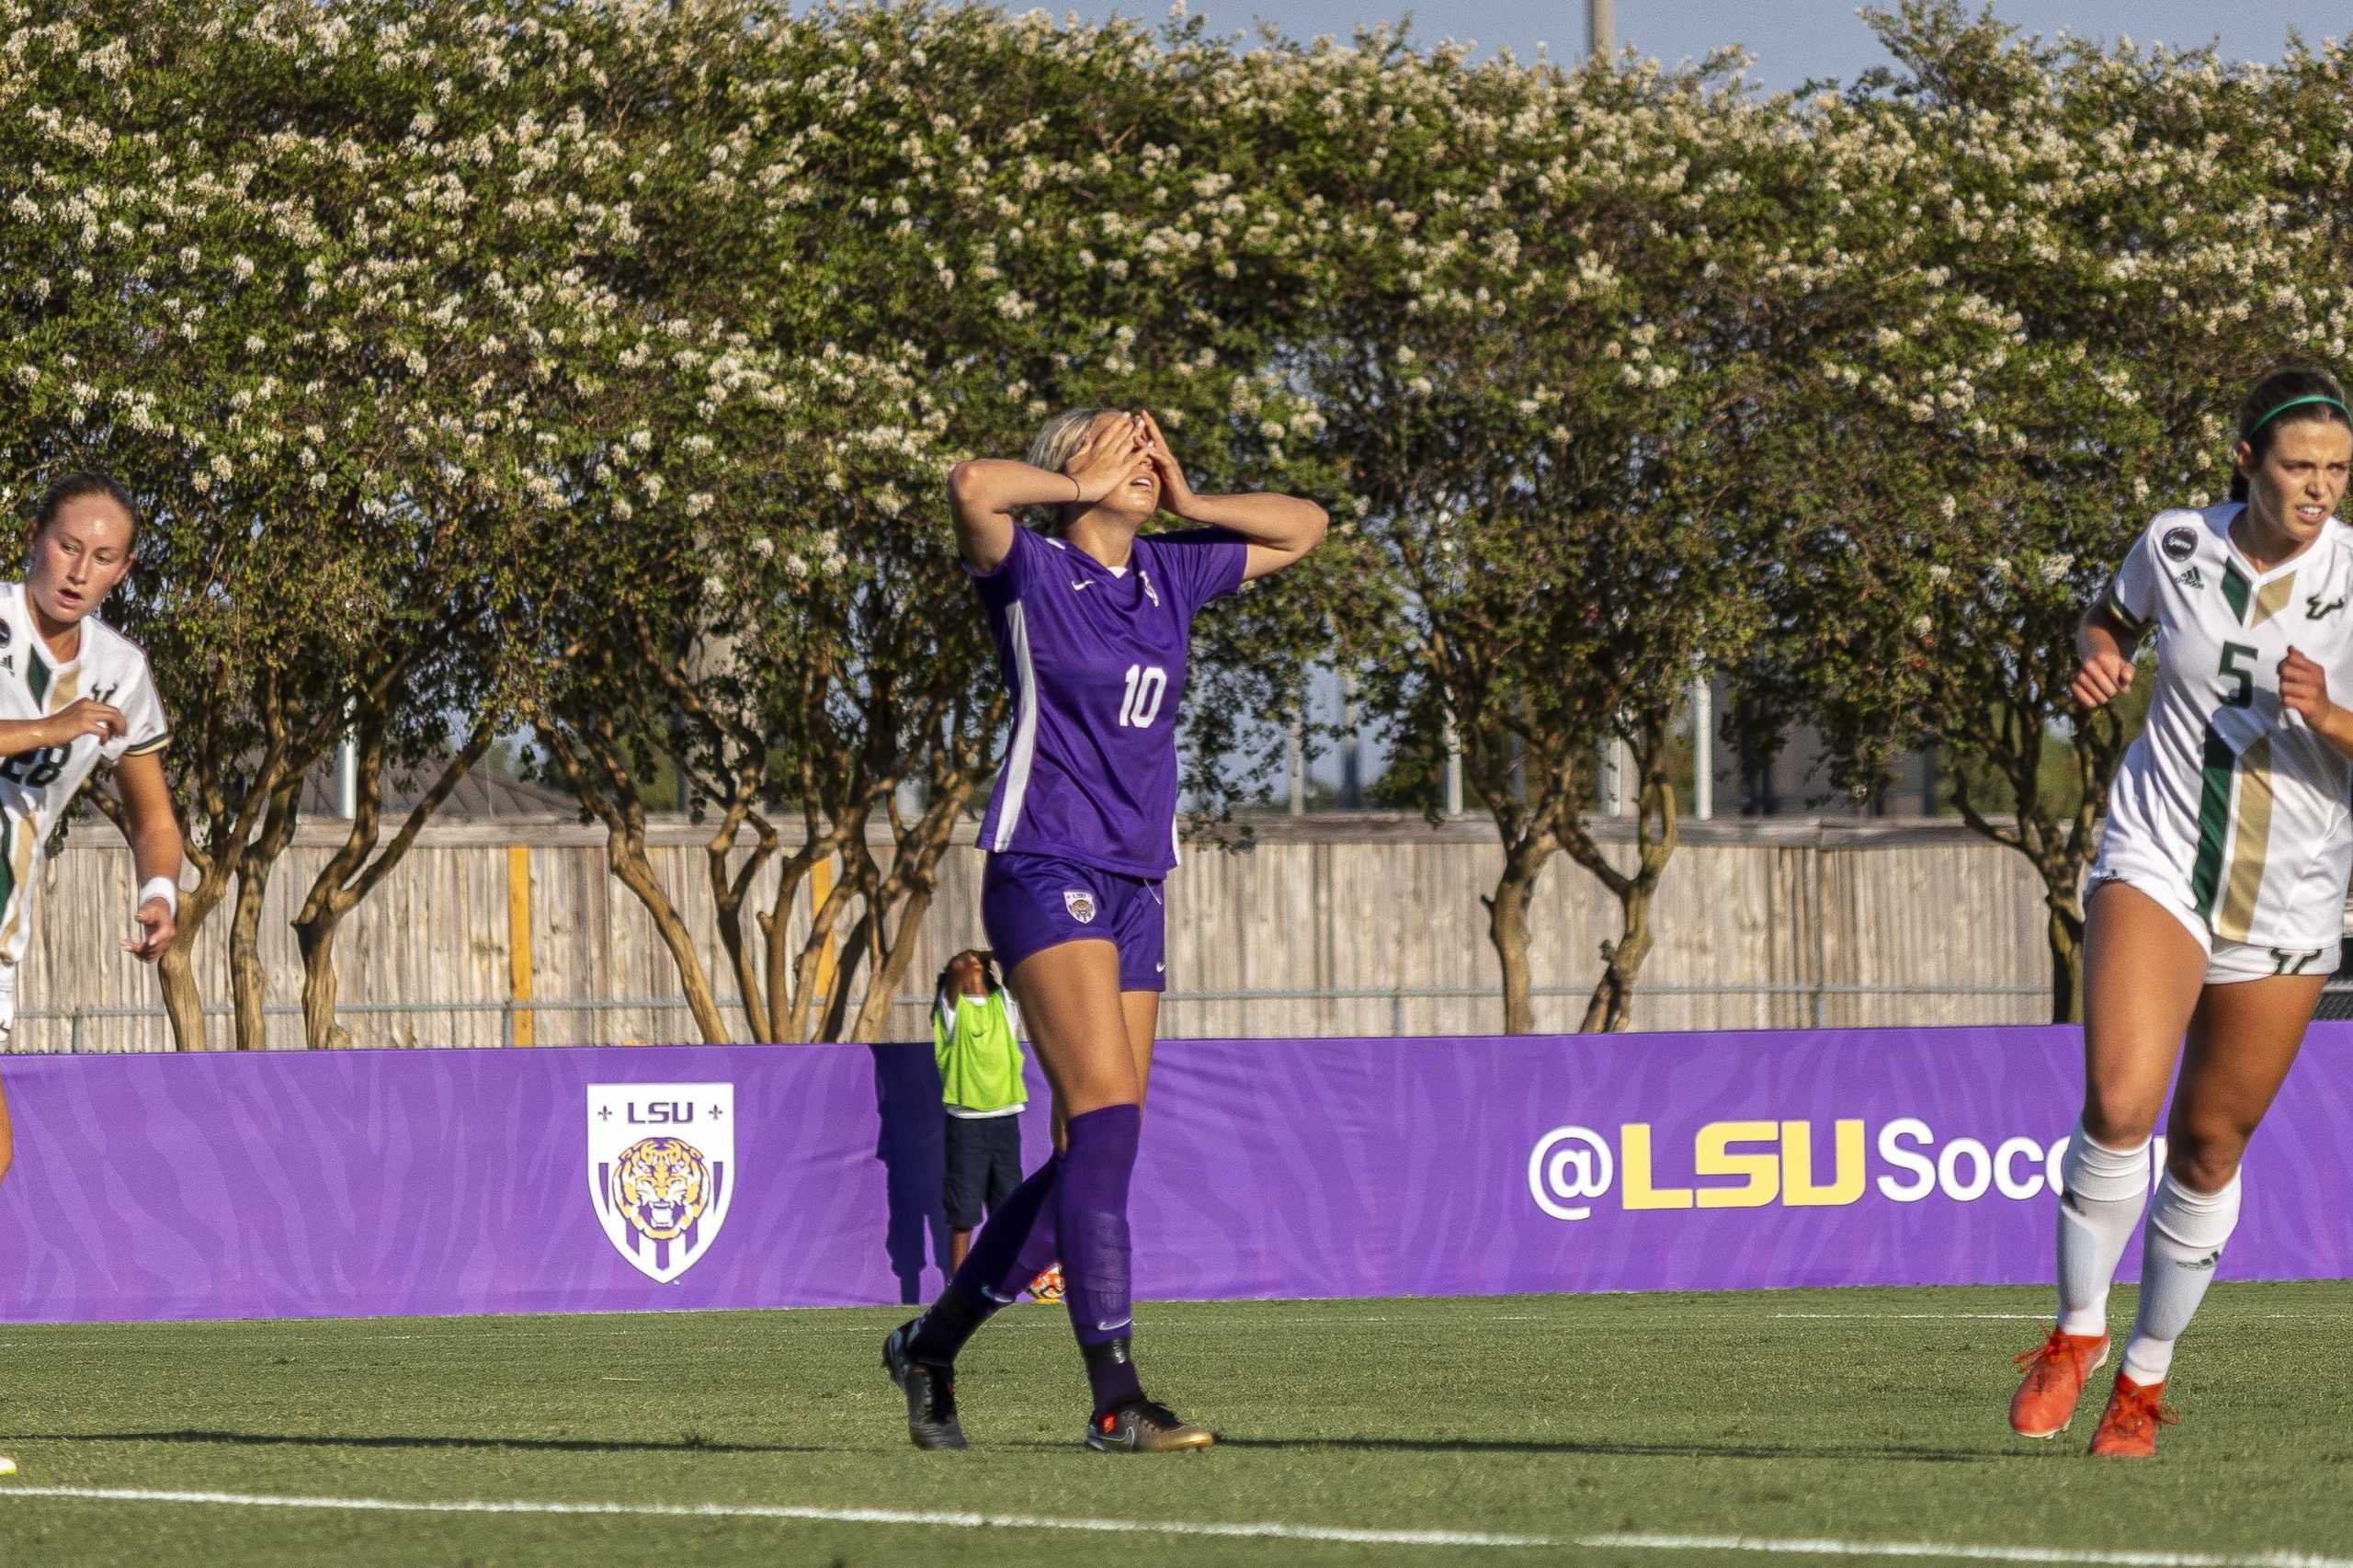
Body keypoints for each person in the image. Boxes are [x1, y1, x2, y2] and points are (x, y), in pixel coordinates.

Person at [882, 408, 1325, 1453]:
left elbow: (1304, 525)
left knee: (1097, 1147)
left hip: (1134, 882)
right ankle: (1115, 1398)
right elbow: (969, 484)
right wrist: (1079, 484)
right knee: (1107, 1123)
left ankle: (932, 1345)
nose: (1147, 457)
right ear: (1073, 463)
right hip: (1044, 863)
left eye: (1154, 442)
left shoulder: (1173, 573)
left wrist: (1193, 500)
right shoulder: (1028, 567)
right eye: (1126, 444)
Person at [2012, 368, 2353, 1458]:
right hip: (2157, 853)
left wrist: (2329, 714)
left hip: (2291, 889)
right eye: (2299, 465)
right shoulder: (2175, 543)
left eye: (2338, 470)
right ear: (2247, 461)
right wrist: (2098, 655)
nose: (2319, 489)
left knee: (2208, 1145)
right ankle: (2073, 1332)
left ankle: (2142, 1381)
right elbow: (2105, 620)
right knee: (2119, 1102)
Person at [0, 471, 182, 1480]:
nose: (82, 568)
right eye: (69, 544)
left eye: (105, 555)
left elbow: (154, 811)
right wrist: (51, 727)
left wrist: (160, 888)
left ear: (124, 567)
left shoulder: (120, 669)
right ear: (34, 538)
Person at [933, 949, 1027, 1273]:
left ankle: (1000, 1282)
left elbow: (1014, 971)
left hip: (1005, 1118)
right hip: (967, 1123)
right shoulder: (951, 1008)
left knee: (1008, 1211)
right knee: (963, 1214)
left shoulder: (1003, 1004)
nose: (971, 964)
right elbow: (954, 980)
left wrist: (993, 954)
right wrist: (968, 961)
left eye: (976, 963)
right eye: (963, 962)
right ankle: (956, 1287)